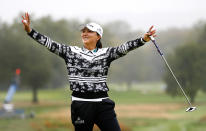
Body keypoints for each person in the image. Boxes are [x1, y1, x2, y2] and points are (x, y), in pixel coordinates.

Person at [22, 12, 156, 131]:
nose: (84, 33)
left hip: (103, 104)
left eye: (89, 31)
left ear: (98, 36)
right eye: (83, 31)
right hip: (81, 104)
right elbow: (49, 43)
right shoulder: (71, 52)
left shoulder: (106, 53)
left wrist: (143, 39)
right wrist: (30, 31)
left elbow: (124, 48)